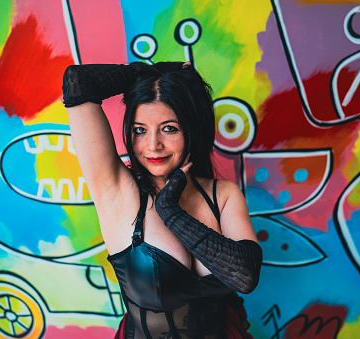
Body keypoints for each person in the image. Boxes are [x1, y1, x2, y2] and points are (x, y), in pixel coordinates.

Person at [62, 61, 262, 338]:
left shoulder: (223, 194)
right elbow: (78, 80)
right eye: (140, 130)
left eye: (169, 129)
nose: (153, 145)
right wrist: (146, 74)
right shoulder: (117, 191)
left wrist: (171, 211)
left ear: (193, 130)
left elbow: (245, 277)